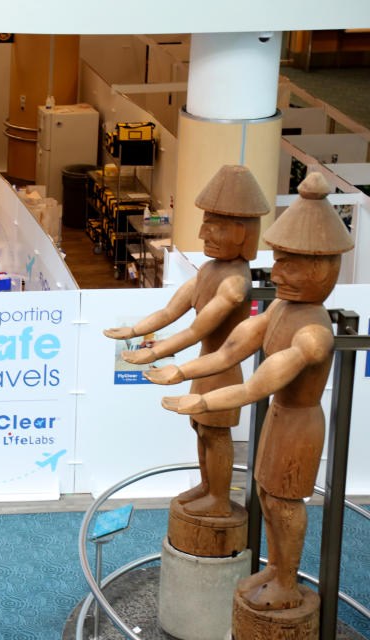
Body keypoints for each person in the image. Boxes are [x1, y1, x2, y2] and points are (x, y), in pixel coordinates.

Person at [147, 172, 353, 611]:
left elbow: (259, 384)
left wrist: (199, 398)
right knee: (265, 494)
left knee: (284, 502)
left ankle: (286, 579)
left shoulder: (314, 333)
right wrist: (180, 371)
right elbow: (228, 353)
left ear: (323, 268)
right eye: (278, 260)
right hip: (281, 418)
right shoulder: (279, 308)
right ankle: (277, 570)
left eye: (289, 264)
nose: (275, 271)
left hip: (298, 423)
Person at [103, 165, 269, 518]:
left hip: (221, 369)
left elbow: (195, 331)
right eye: (205, 223)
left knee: (216, 431)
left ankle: (219, 497)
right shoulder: (209, 271)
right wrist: (132, 333)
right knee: (201, 427)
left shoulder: (235, 283)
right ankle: (208, 487)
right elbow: (168, 313)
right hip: (204, 366)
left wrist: (155, 354)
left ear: (241, 232)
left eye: (214, 226)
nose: (203, 232)